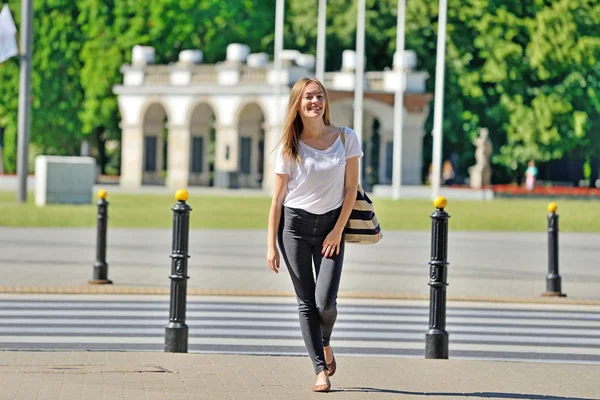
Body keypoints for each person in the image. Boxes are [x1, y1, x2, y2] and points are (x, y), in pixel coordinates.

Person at [266, 77, 363, 393]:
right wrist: (271, 245)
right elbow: (277, 200)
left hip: (330, 228)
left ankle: (325, 342)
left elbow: (351, 190)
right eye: (308, 97)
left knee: (326, 303)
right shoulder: (289, 145)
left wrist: (337, 231)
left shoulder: (345, 138)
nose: (315, 102)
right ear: (297, 103)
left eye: (319, 96)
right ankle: (320, 371)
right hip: (294, 228)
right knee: (306, 303)